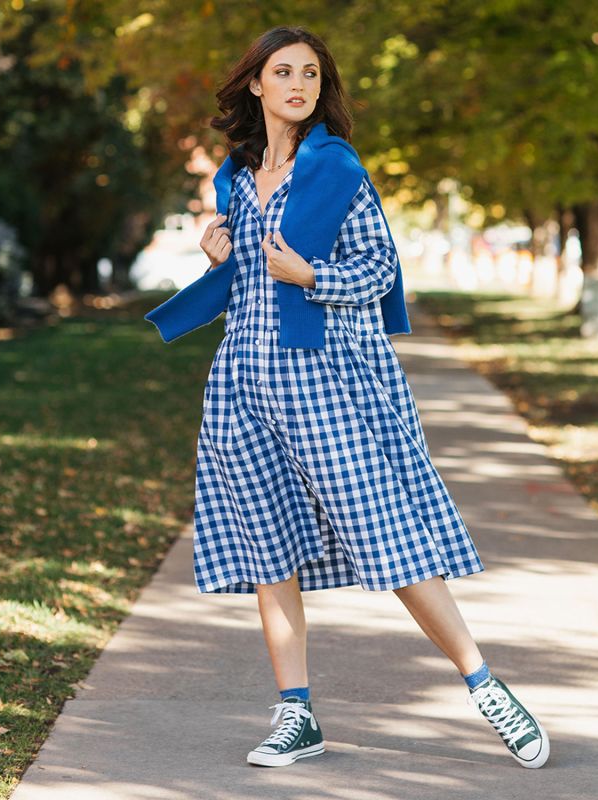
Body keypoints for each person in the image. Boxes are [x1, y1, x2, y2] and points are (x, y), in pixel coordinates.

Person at [192, 25, 550, 770]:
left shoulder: (336, 169)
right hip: (241, 384)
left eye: (312, 75)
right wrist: (217, 253)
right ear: (255, 85)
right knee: (270, 547)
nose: (298, 85)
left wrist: (314, 278)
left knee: (384, 529)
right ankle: (297, 714)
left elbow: (380, 271)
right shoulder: (236, 174)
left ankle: (483, 683)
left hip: (325, 379)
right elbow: (245, 285)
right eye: (283, 72)